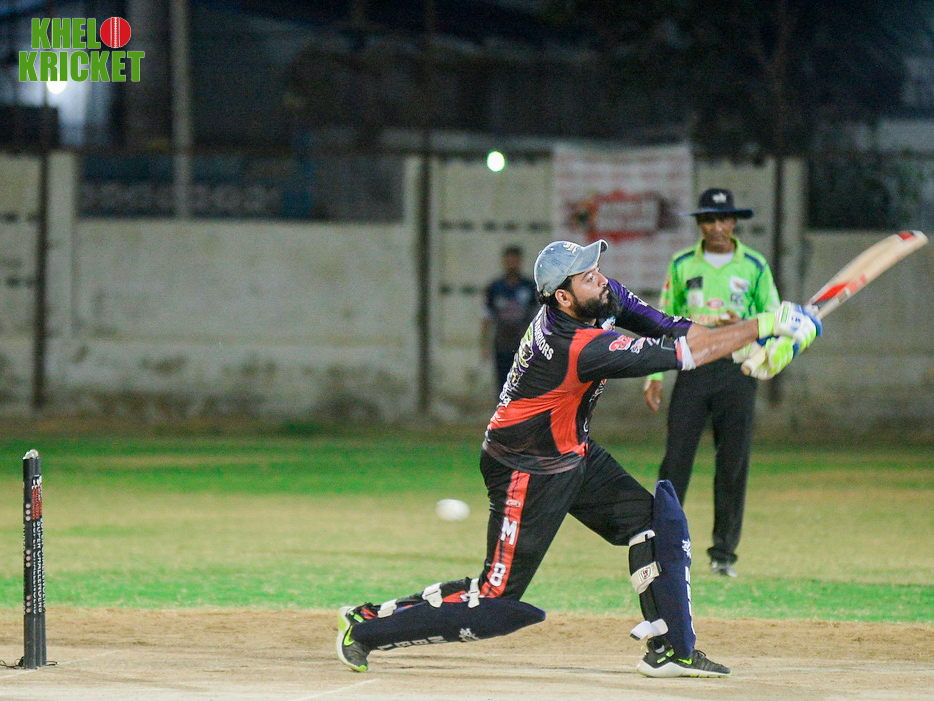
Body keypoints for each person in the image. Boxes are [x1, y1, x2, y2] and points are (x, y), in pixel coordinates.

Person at [336, 238, 819, 678]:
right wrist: (767, 324)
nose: (601, 278)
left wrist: (749, 348)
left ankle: (671, 649)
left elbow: (675, 328)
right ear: (564, 298)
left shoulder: (600, 300)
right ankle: (366, 628)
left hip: (573, 452)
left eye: (597, 269)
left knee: (653, 523)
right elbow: (681, 352)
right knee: (495, 599)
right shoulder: (575, 345)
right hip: (525, 468)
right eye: (588, 276)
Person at [643, 187, 780, 579]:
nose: (716, 227)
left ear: (733, 222)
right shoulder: (682, 263)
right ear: (700, 224)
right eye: (708, 220)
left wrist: (748, 331)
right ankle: (661, 545)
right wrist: (654, 374)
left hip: (737, 371)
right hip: (694, 368)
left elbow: (773, 317)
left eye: (723, 219)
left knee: (733, 463)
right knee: (675, 461)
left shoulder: (753, 265)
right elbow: (663, 320)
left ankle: (723, 553)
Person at [481, 245, 539, 394]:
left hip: (523, 344)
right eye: (509, 261)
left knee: (523, 385)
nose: (512, 264)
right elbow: (487, 317)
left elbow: (537, 317)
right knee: (503, 384)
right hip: (502, 343)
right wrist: (484, 345)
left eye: (515, 261)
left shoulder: (529, 287)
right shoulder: (495, 288)